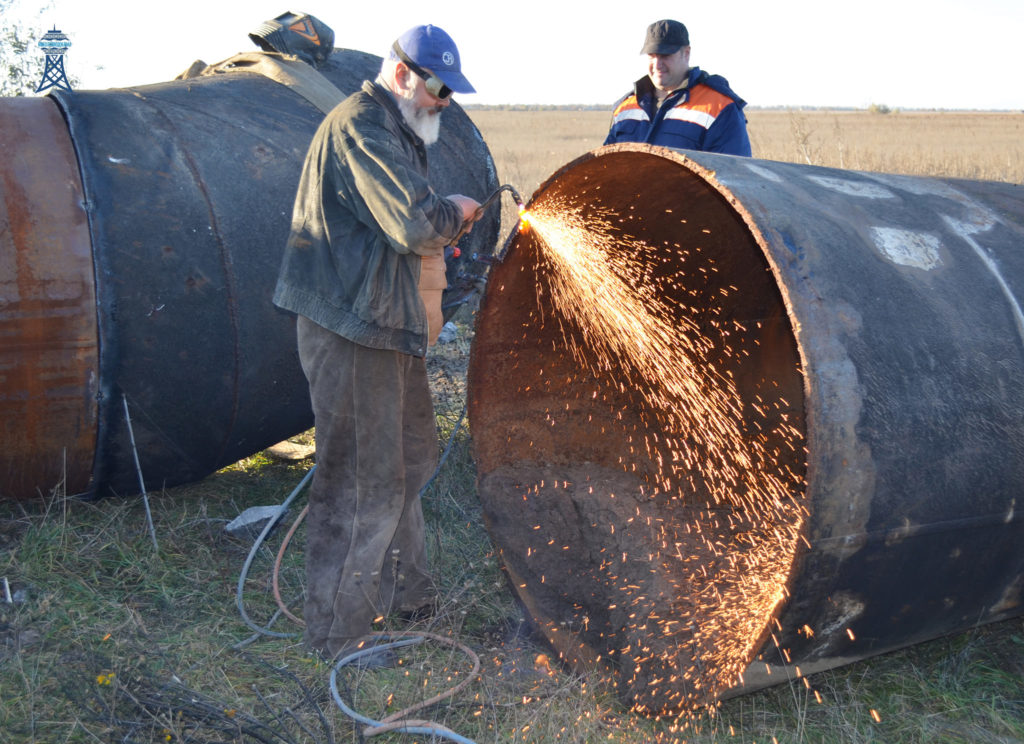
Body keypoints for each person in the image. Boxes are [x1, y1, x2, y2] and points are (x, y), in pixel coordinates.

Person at [272, 24, 482, 663]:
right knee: (360, 480)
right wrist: (460, 208)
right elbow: (416, 223)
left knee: (407, 462)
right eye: (437, 87)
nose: (443, 101)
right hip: (351, 329)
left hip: (387, 327)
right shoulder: (360, 126)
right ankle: (341, 633)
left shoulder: (400, 129)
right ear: (401, 74)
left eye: (451, 91)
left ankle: (410, 598)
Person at [604, 19, 752, 156]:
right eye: (651, 55)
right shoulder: (626, 108)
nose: (657, 64)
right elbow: (604, 168)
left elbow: (734, 175)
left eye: (665, 55)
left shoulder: (720, 107)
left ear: (686, 53)